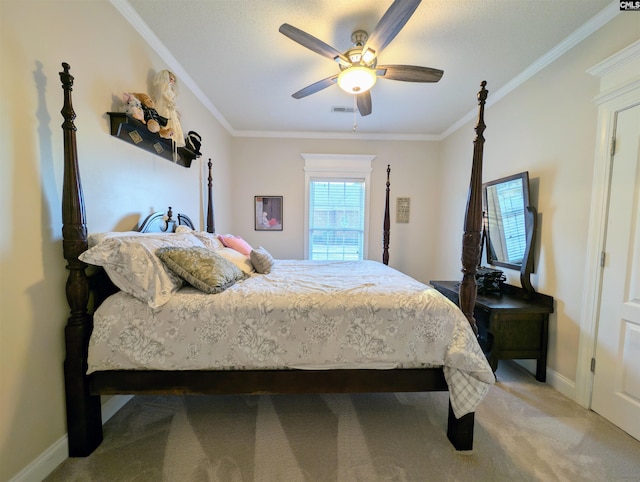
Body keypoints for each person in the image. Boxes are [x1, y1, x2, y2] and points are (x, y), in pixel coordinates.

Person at [152, 70, 185, 147]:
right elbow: (163, 94)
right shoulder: (164, 85)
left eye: (173, 80)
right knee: (165, 118)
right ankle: (165, 132)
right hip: (164, 105)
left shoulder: (170, 87)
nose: (172, 81)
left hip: (169, 106)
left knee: (172, 120)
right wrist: (169, 101)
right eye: (171, 79)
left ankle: (169, 134)